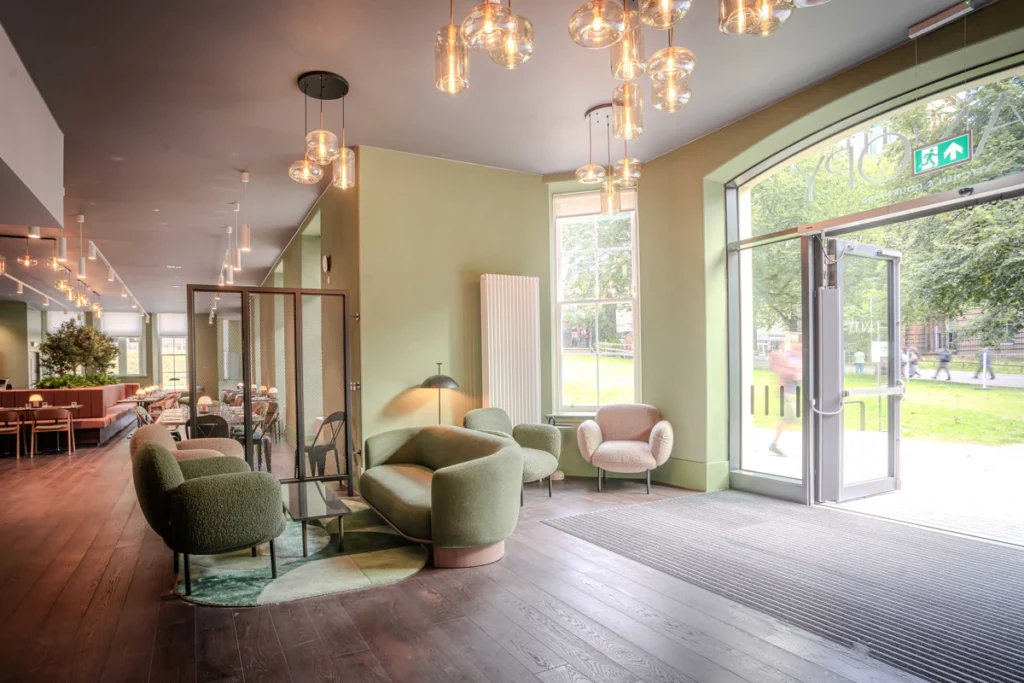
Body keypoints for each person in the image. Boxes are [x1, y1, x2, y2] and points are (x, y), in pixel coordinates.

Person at [768, 341, 802, 458]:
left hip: (790, 391)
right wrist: (795, 374)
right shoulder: (785, 357)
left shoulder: (796, 357)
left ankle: (774, 444)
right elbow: (779, 369)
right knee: (792, 418)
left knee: (788, 419)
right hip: (785, 391)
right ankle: (774, 444)